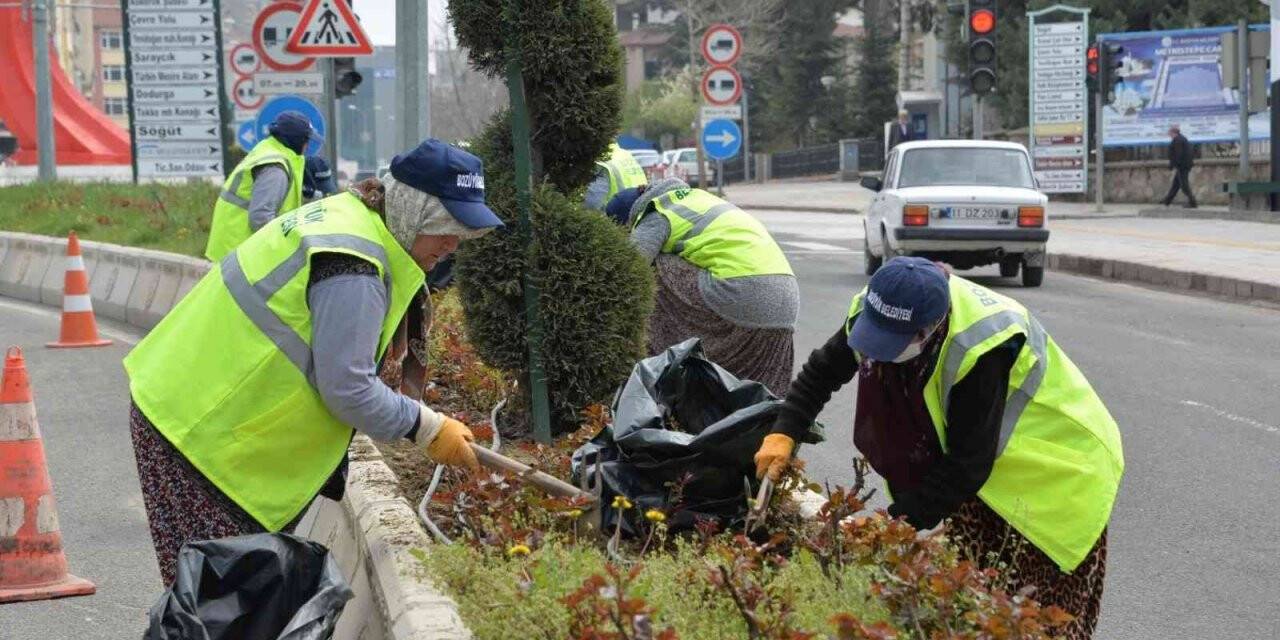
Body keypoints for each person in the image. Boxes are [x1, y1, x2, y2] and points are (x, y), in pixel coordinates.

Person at [124, 139, 503, 585]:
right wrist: (427, 427)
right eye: (445, 226)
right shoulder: (354, 266)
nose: (452, 244)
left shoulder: (354, 221)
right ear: (413, 208)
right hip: (200, 439)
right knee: (215, 612)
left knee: (219, 609)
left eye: (462, 231)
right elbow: (348, 388)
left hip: (195, 414)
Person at [753, 257, 1123, 638]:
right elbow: (821, 373)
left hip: (1055, 473)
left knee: (1030, 618)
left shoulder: (980, 348)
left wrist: (887, 526)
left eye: (892, 345)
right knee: (972, 603)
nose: (878, 354)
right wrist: (784, 432)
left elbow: (965, 467)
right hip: (985, 473)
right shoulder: (882, 306)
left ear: (930, 329)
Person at [608, 178, 798, 395]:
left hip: (741, 292)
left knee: (651, 268)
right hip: (786, 303)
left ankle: (654, 359)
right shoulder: (698, 199)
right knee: (757, 403)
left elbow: (629, 270)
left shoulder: (655, 212)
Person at [205, 112, 318, 261]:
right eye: (306, 140)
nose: (307, 146)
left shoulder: (268, 150)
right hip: (243, 252)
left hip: (234, 246)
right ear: (297, 141)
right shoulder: (276, 168)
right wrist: (288, 246)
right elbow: (261, 217)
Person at [584, 143, 647, 211]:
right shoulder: (624, 154)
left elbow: (590, 207)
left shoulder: (600, 161)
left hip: (615, 216)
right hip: (638, 213)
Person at [1162, 125, 1197, 208]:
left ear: (1173, 132)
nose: (1169, 134)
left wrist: (1173, 165)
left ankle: (1193, 202)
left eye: (1170, 133)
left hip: (1182, 166)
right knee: (1176, 185)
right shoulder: (1181, 139)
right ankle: (1167, 201)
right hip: (1183, 165)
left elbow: (1178, 154)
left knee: (1184, 185)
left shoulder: (1178, 140)